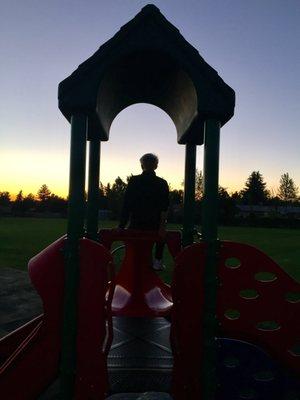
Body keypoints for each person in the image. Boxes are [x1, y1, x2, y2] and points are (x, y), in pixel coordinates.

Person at [118, 153, 169, 270]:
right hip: (154, 225)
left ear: (142, 166)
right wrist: (162, 227)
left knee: (134, 253)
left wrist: (121, 226)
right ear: (156, 166)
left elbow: (127, 205)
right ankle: (158, 260)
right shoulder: (162, 183)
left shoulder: (134, 181)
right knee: (152, 247)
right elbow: (164, 207)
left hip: (136, 223)